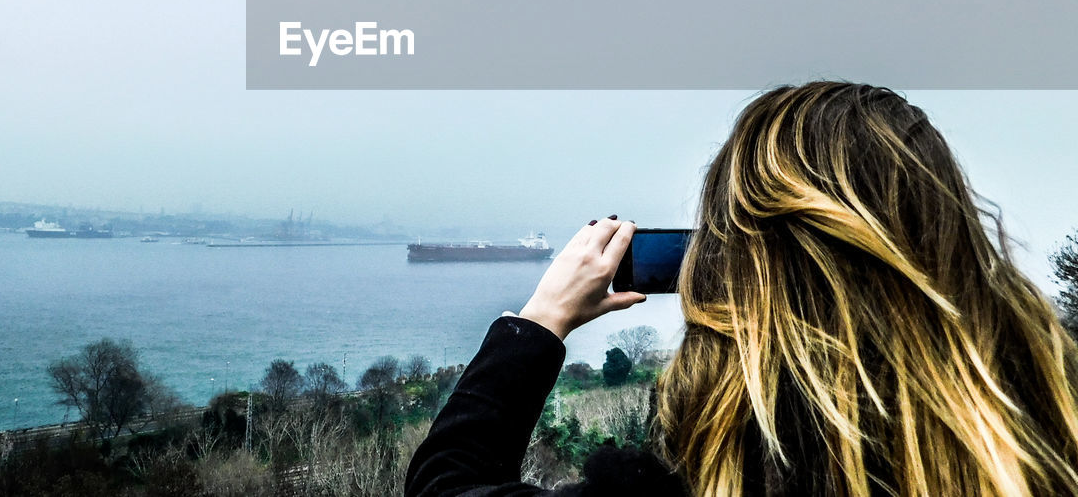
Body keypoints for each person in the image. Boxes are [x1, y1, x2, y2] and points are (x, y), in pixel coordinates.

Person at [405, 81, 1078, 497]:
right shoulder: (1054, 441)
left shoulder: (693, 485)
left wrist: (542, 320)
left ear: (737, 278)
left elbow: (446, 482)